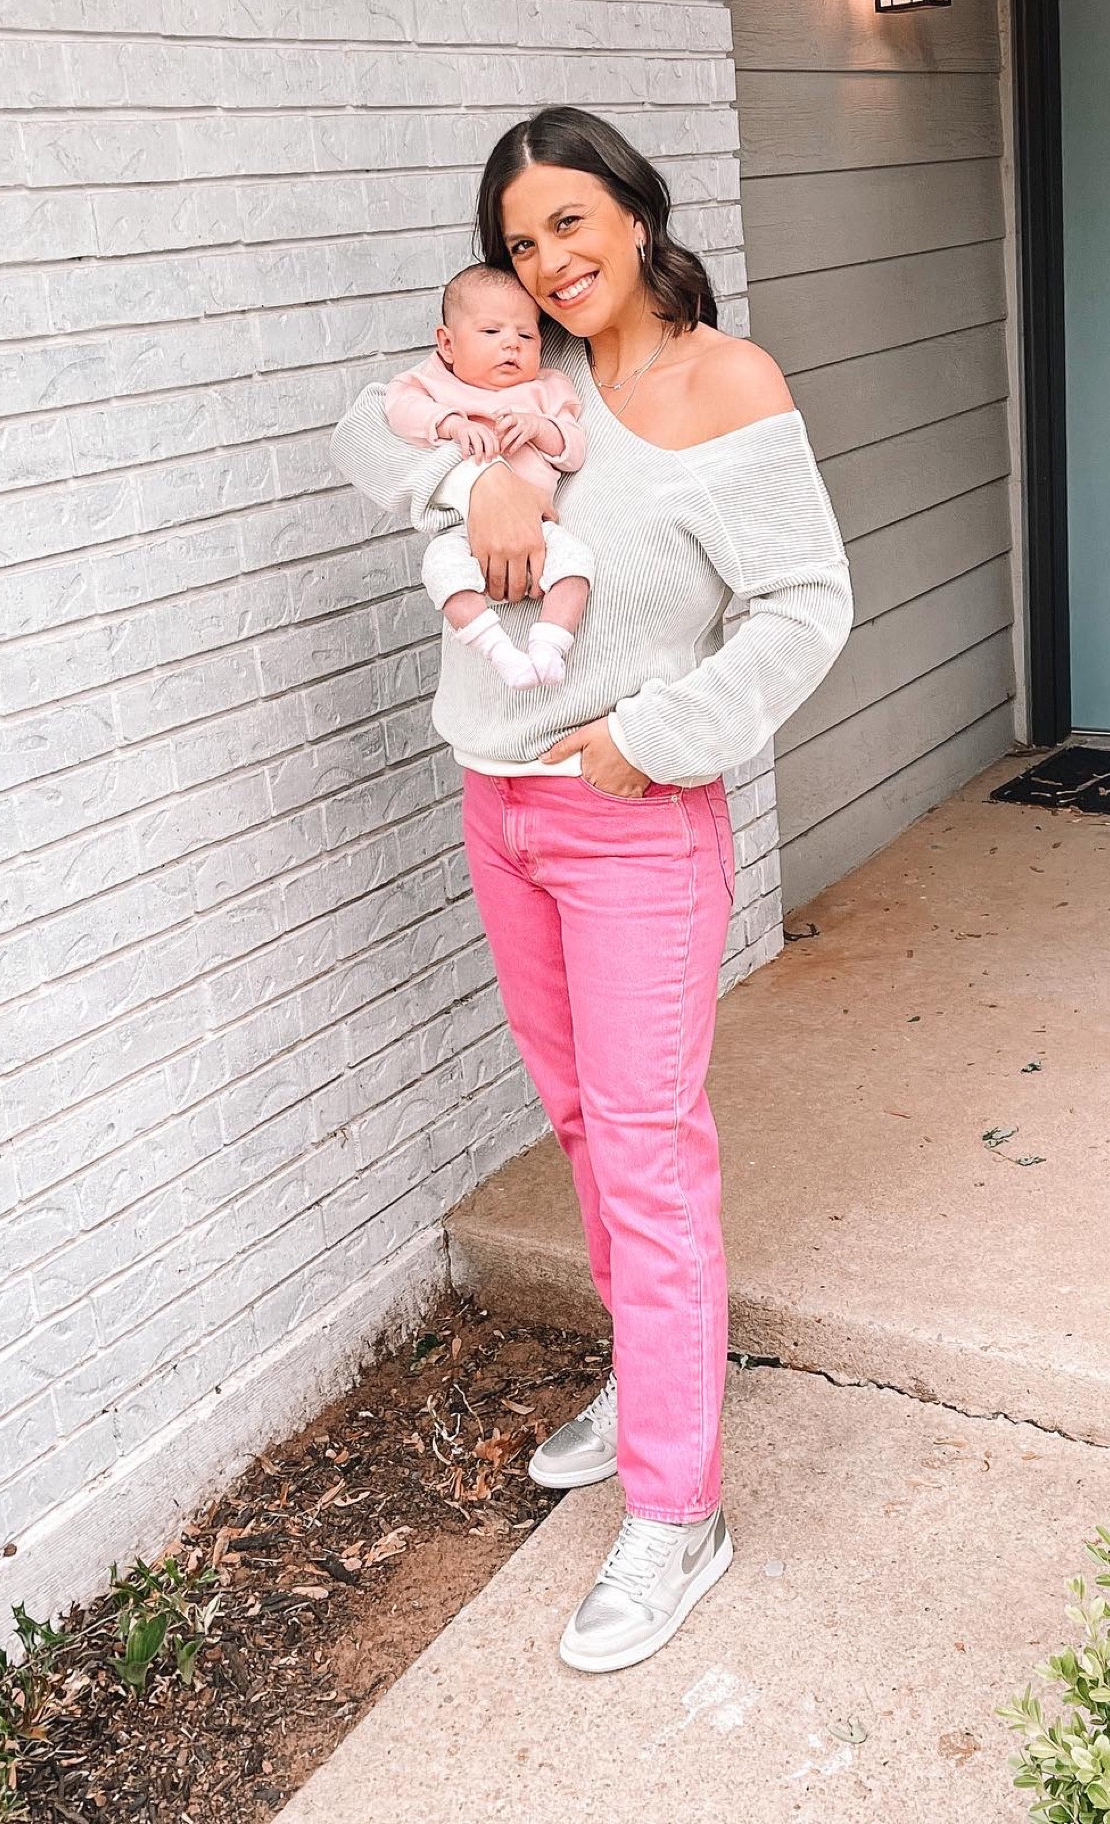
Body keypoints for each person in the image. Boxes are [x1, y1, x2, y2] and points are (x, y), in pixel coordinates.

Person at [330, 105, 854, 1674]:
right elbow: (364, 434)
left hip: (631, 821)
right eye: (516, 242)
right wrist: (469, 495)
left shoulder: (726, 384)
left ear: (633, 213)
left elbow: (805, 606)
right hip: (496, 804)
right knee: (574, 1124)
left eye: (570, 224)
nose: (545, 263)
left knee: (645, 1153)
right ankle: (649, 1371)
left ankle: (675, 1512)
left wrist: (649, 735)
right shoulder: (519, 375)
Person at [385, 263, 595, 690]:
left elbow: (574, 449)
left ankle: (549, 644)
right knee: (439, 568)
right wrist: (450, 425)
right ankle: (499, 652)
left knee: (577, 566)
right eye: (490, 333)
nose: (510, 347)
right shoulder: (434, 385)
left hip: (540, 526)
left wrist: (541, 429)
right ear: (447, 343)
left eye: (525, 335)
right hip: (462, 531)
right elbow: (396, 407)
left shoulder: (546, 388)